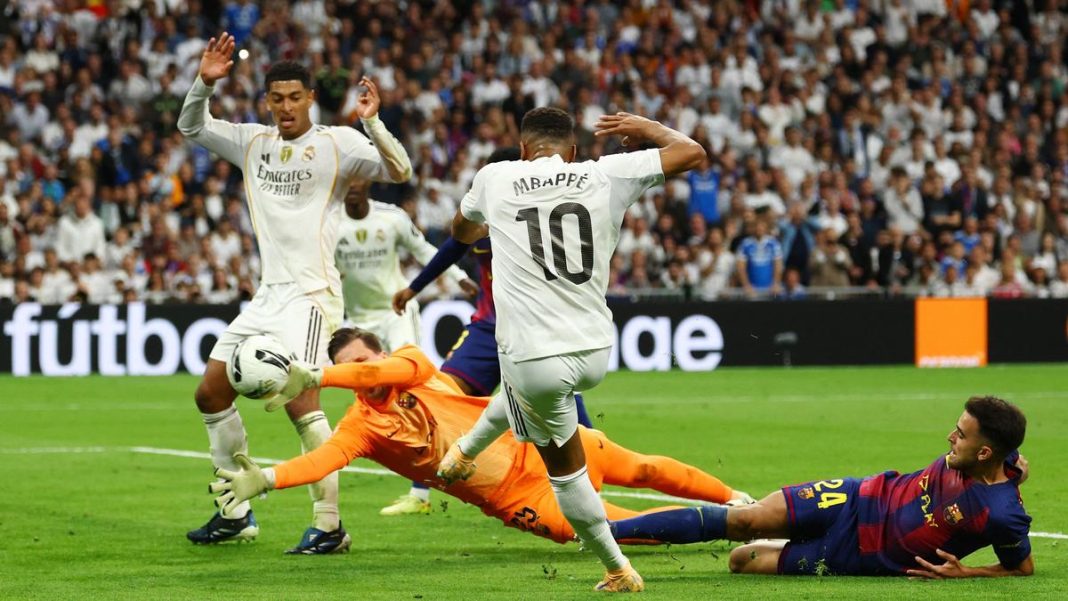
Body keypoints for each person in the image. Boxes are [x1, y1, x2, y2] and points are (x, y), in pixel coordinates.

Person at [437, 107, 704, 592]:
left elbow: (459, 229)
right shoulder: (604, 173)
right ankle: (463, 452)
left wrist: (483, 226)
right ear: (574, 151)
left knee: (564, 470)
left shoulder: (496, 177)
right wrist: (646, 130)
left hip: (534, 355)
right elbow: (691, 152)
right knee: (525, 396)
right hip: (596, 348)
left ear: (522, 150)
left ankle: (617, 567)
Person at [177, 32, 412, 553]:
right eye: (277, 98)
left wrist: (372, 122)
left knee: (301, 404)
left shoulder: (338, 143)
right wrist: (204, 84)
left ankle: (329, 525)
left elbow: (402, 171)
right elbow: (190, 124)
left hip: (311, 296)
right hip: (268, 296)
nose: (285, 107)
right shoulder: (251, 142)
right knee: (210, 393)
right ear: (267, 102)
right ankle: (234, 512)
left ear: (311, 99)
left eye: (294, 97)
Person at [207, 328, 752, 545]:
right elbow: (323, 460)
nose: (364, 366)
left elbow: (383, 373)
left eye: (364, 357)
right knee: (621, 529)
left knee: (645, 470)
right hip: (516, 495)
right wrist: (270, 478)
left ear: (379, 353)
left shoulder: (411, 364)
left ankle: (735, 499)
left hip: (536, 439)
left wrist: (321, 374)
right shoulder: (360, 428)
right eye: (349, 363)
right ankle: (738, 526)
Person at [609, 397, 1034, 579]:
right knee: (744, 520)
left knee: (741, 560)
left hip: (858, 554)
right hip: (857, 496)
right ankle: (603, 535)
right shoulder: (997, 460)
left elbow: (1022, 568)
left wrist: (968, 572)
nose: (949, 437)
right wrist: (1015, 466)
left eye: (960, 434)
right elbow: (1011, 463)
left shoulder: (1000, 513)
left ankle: (785, 537)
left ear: (984, 452)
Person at [335, 177, 474, 516]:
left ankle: (422, 491)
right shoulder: (328, 223)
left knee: (414, 390)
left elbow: (425, 249)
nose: (352, 186)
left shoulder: (392, 217)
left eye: (358, 178)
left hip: (395, 311)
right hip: (355, 323)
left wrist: (457, 276)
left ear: (367, 182)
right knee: (373, 403)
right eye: (346, 179)